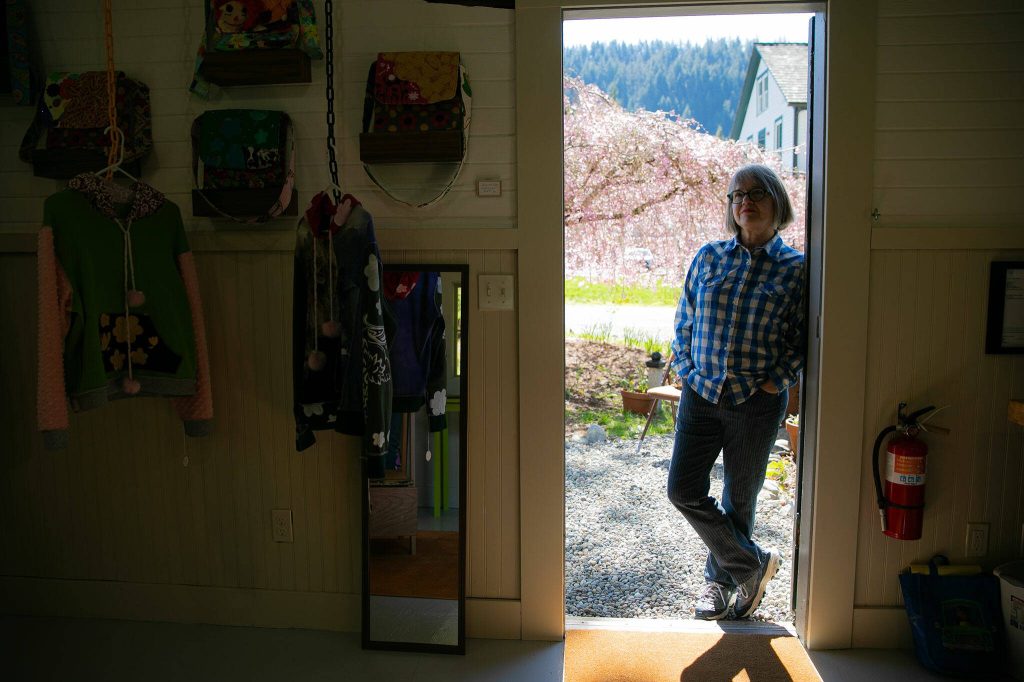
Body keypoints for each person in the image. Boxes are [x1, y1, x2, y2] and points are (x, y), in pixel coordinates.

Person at [666, 163, 806, 620]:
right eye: (736, 195)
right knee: (684, 490)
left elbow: (802, 338)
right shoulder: (709, 257)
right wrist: (686, 368)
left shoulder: (796, 269)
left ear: (776, 202)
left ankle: (721, 586)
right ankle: (751, 566)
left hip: (757, 402)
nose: (744, 200)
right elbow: (684, 320)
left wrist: (773, 381)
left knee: (739, 501)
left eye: (756, 192)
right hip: (701, 395)